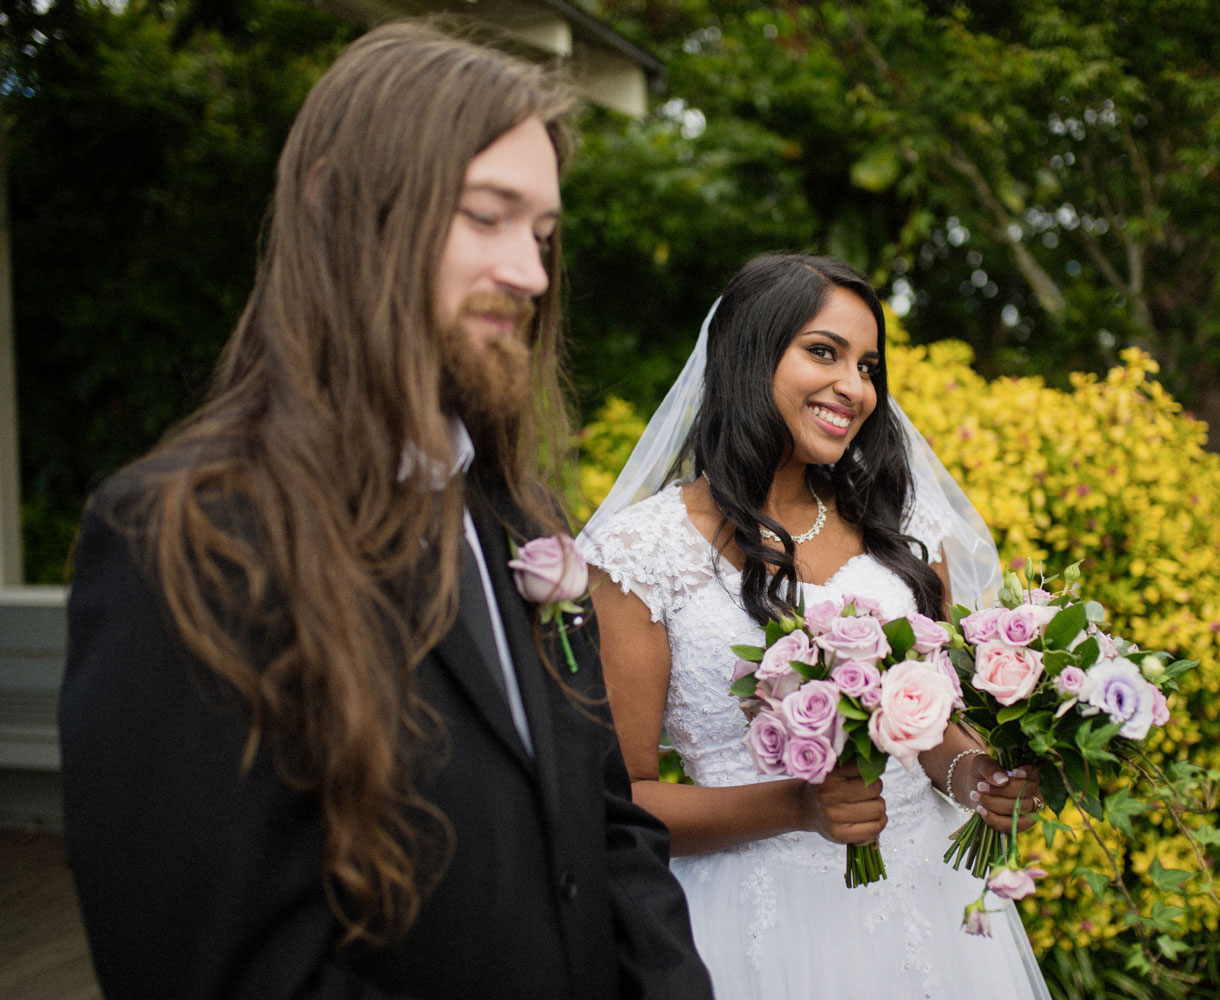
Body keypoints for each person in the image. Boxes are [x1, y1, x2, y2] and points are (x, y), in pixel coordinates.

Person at [59, 22, 712, 1000]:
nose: (533, 275)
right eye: (487, 216)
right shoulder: (185, 539)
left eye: (540, 234)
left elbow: (605, 818)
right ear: (342, 206)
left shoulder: (522, 517)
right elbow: (221, 971)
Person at [579, 253, 1053, 999]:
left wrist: (978, 778)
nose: (854, 387)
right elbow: (620, 800)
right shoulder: (643, 553)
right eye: (823, 352)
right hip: (751, 926)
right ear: (748, 354)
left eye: (868, 365)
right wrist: (797, 806)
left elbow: (933, 731)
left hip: (924, 914)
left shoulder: (908, 535)